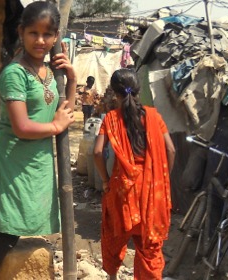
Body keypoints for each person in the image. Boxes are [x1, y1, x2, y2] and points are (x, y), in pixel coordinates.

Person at [0, 2, 76, 279]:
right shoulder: (15, 73)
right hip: (2, 167)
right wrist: (55, 126)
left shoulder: (49, 74)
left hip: (29, 169)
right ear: (21, 32)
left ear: (56, 37)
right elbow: (22, 127)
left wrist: (70, 80)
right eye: (34, 33)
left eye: (47, 35)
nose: (41, 40)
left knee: (5, 237)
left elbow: (66, 113)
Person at [93, 69, 176, 280]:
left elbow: (97, 152)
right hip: (151, 195)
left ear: (114, 92)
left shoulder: (111, 118)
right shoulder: (154, 116)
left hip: (122, 192)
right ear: (138, 90)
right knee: (149, 247)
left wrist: (104, 181)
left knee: (114, 237)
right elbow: (171, 150)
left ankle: (112, 276)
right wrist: (162, 179)